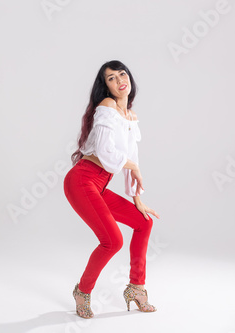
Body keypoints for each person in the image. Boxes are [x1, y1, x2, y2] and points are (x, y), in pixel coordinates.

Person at [63, 60, 160, 319]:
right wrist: (133, 167)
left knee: (144, 222)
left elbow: (132, 159)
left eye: (121, 74)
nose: (119, 80)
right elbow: (107, 154)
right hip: (82, 180)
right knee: (113, 241)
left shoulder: (130, 116)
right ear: (105, 87)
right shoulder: (106, 108)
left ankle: (136, 288)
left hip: (99, 184)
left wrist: (137, 199)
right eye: (111, 78)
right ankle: (82, 292)